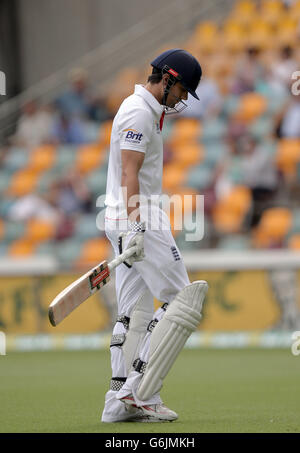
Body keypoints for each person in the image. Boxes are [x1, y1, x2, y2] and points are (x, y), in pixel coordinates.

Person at [102, 49, 208, 423]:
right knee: (183, 300)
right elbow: (129, 171)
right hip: (139, 214)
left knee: (134, 312)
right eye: (181, 89)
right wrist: (136, 224)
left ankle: (118, 403)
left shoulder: (145, 110)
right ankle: (141, 391)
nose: (182, 98)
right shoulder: (138, 111)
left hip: (122, 215)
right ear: (167, 78)